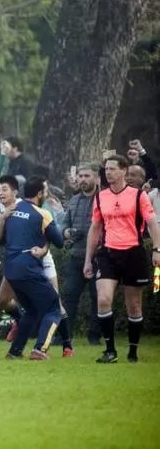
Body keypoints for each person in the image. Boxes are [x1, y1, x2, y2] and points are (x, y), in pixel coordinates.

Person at [84, 155, 160, 364]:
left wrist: (157, 250)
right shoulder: (101, 197)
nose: (108, 172)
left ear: (124, 171)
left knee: (134, 305)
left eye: (112, 169)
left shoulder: (138, 196)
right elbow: (95, 227)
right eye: (106, 169)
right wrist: (88, 260)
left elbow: (153, 224)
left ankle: (133, 351)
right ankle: (110, 351)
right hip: (107, 253)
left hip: (133, 252)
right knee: (103, 299)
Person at [0, 177, 65, 360]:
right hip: (28, 267)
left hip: (10, 271)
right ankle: (40, 349)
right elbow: (60, 241)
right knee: (53, 308)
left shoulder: (11, 211)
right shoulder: (42, 213)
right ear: (40, 193)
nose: (46, 193)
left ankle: (15, 351)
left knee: (31, 311)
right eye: (45, 190)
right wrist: (45, 244)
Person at [61, 164, 100, 345]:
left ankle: (94, 337)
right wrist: (67, 232)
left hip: (99, 256)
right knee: (69, 296)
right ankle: (64, 335)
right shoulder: (74, 199)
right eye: (80, 176)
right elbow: (64, 225)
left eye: (87, 176)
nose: (82, 179)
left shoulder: (103, 198)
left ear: (96, 178)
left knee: (97, 297)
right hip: (76, 255)